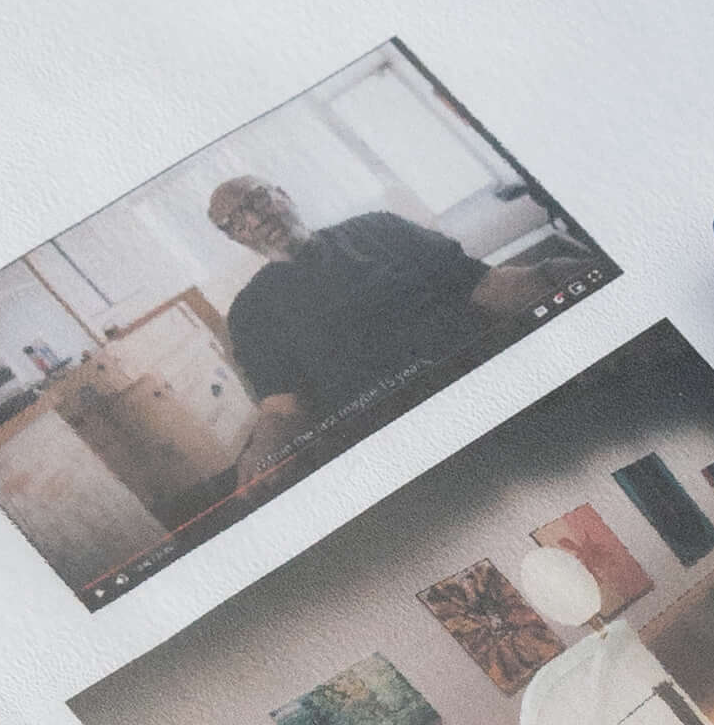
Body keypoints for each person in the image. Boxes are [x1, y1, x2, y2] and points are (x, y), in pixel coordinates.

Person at [205, 171, 594, 488]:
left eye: (257, 200)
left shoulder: (379, 227)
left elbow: (484, 285)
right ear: (235, 237)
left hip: (495, 379)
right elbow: (281, 409)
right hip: (407, 443)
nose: (254, 220)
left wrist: (556, 275)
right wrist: (261, 454)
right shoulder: (250, 313)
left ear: (284, 194)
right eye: (235, 222)